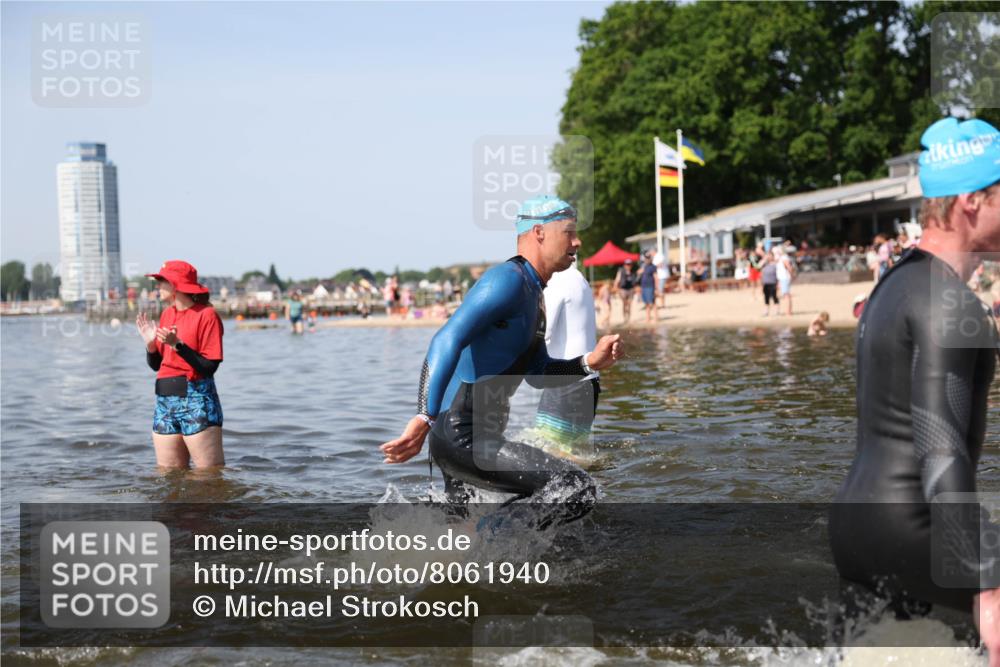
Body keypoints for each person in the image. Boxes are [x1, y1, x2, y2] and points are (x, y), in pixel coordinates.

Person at [830, 117, 1000, 658]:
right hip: (911, 523)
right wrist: (986, 579)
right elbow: (941, 450)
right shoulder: (950, 302)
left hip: (855, 525)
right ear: (972, 201)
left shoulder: (893, 286)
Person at [379, 195, 623, 528]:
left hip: (469, 437)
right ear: (539, 232)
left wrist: (589, 362)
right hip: (463, 435)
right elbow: (446, 338)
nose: (577, 241)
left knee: (455, 532)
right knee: (574, 487)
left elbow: (538, 374)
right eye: (569, 232)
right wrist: (424, 414)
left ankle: (464, 563)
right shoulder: (507, 280)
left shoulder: (534, 294)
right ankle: (490, 539)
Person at [135, 260, 224, 469]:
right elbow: (158, 365)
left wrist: (178, 345)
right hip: (164, 402)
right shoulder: (167, 314)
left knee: (209, 477)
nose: (157, 287)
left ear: (176, 285)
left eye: (161, 281)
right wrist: (150, 344)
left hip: (196, 399)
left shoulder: (206, 315)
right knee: (168, 477)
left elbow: (209, 367)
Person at [534, 260, 601, 464]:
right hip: (589, 381)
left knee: (546, 453)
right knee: (576, 451)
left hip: (566, 381)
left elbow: (542, 332)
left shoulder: (557, 280)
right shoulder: (578, 277)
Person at [773, 245, 795, 316]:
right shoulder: (781, 258)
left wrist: (791, 276)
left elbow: (789, 267)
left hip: (785, 278)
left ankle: (788, 312)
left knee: (786, 295)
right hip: (782, 278)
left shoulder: (784, 258)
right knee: (785, 295)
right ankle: (788, 311)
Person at [639, 251, 659, 322]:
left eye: (648, 258)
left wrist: (656, 288)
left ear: (651, 259)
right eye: (646, 258)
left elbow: (656, 278)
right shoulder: (644, 266)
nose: (647, 259)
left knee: (653, 303)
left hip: (650, 286)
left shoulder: (653, 267)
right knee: (646, 303)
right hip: (644, 287)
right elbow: (639, 273)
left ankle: (656, 318)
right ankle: (648, 318)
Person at [615, 258, 636, 323]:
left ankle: (628, 318)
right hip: (623, 290)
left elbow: (635, 282)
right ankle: (625, 318)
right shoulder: (621, 271)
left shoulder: (633, 272)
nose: (628, 266)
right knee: (624, 304)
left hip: (630, 290)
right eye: (627, 264)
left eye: (629, 264)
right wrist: (617, 290)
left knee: (629, 304)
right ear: (625, 265)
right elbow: (617, 280)